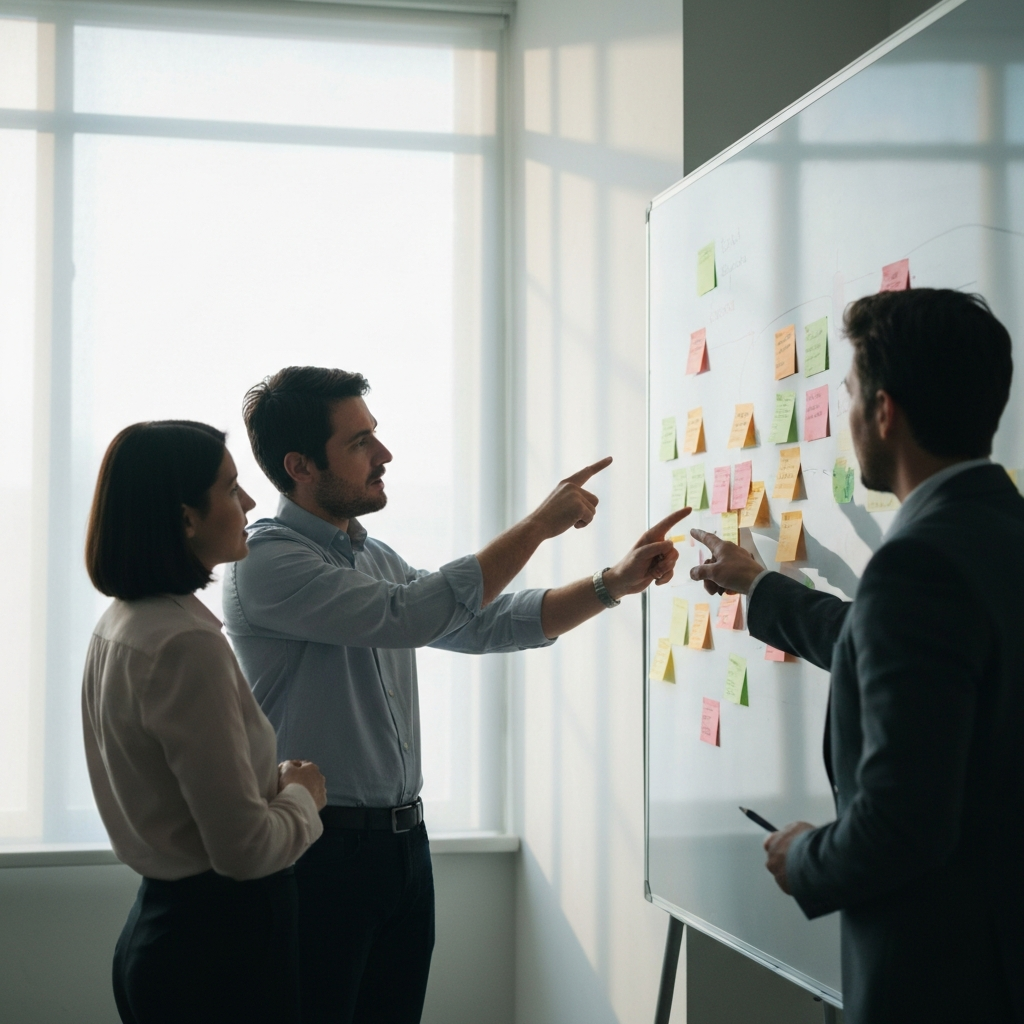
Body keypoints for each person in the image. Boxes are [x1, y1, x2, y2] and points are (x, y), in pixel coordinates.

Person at [222, 366, 687, 1024]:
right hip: (319, 852)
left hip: (402, 850)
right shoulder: (265, 561)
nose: (384, 454)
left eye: (375, 435)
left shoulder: (373, 557)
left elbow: (480, 623)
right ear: (299, 466)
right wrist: (538, 525)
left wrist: (611, 583)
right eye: (359, 442)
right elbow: (410, 615)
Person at [690, 289, 1023, 1024]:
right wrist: (762, 587)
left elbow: (903, 826)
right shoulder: (999, 535)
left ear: (884, 411)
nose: (845, 416)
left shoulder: (917, 564)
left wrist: (805, 856)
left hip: (944, 981)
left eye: (847, 393)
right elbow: (878, 643)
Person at [81, 420, 329, 1024]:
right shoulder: (185, 644)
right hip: (219, 953)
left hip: (166, 932)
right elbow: (244, 851)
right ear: (186, 518)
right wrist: (302, 796)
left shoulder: (121, 623)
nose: (249, 503)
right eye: (231, 487)